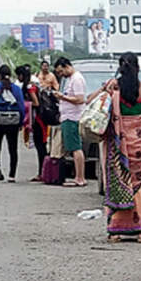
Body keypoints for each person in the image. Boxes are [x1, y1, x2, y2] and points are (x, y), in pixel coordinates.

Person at [87, 52, 141, 243]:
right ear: (137, 68)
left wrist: (104, 88)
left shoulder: (112, 89)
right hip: (140, 146)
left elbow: (89, 101)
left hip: (117, 146)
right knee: (140, 183)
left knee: (118, 182)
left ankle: (116, 230)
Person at [52, 57, 87, 187]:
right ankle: (79, 176)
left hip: (73, 117)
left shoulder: (77, 79)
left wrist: (62, 97)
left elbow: (79, 99)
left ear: (66, 66)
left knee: (76, 147)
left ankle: (80, 178)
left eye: (61, 71)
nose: (61, 75)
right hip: (68, 116)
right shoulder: (70, 80)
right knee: (73, 148)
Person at [0, 65, 26, 182]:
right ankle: (12, 175)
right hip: (13, 122)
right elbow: (21, 106)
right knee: (13, 149)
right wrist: (21, 122)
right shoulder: (16, 88)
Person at [16, 64, 47, 181]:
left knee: (41, 147)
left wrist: (24, 104)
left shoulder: (29, 87)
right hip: (37, 119)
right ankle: (42, 172)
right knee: (40, 146)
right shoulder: (32, 85)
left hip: (38, 120)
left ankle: (42, 173)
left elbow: (36, 103)